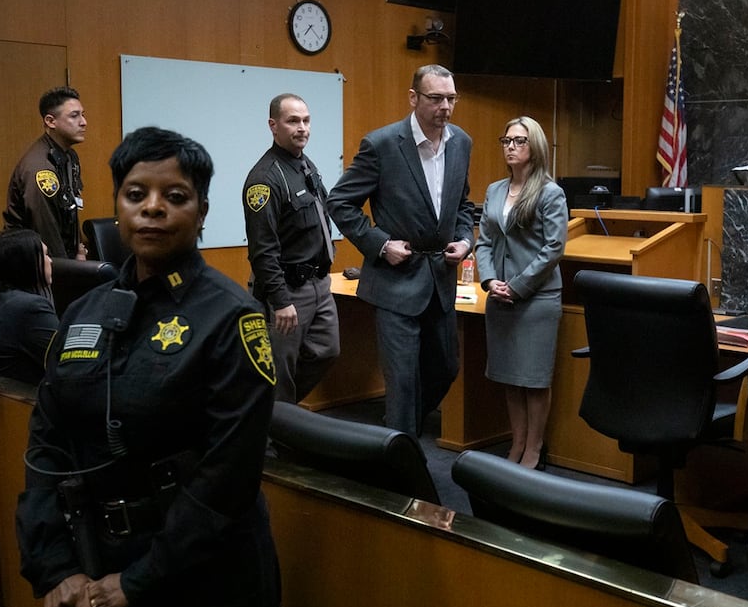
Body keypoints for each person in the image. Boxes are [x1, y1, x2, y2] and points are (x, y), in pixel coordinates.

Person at [16, 126, 284, 607]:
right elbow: (47, 442)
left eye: (175, 196)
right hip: (97, 564)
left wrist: (140, 580)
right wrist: (54, 565)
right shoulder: (84, 311)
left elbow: (229, 474)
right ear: (117, 206)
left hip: (204, 584)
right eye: (135, 194)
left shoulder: (232, 317)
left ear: (201, 212)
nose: (153, 208)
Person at [327, 64, 475, 437]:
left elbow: (464, 205)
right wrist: (380, 244)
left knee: (445, 368)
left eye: (451, 98)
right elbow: (340, 202)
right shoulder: (381, 144)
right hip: (394, 281)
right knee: (403, 383)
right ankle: (399, 465)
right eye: (436, 98)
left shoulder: (462, 142)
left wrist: (464, 238)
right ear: (413, 98)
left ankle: (396, 434)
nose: (445, 107)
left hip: (440, 278)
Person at [475, 116, 568, 470]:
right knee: (509, 377)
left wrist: (517, 286)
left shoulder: (549, 192)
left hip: (536, 299)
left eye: (519, 141)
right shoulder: (495, 190)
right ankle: (516, 443)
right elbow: (483, 242)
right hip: (499, 296)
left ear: (536, 148)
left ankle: (535, 448)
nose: (510, 147)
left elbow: (553, 248)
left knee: (533, 378)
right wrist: (489, 281)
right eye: (506, 140)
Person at [243, 93, 339, 403]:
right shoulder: (265, 179)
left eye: (306, 120)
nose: (302, 128)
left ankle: (282, 416)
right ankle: (273, 439)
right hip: (287, 290)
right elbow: (262, 249)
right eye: (292, 121)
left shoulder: (304, 164)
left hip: (319, 284)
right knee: (278, 372)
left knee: (328, 350)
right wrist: (280, 300)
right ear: (273, 125)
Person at [4, 86, 88, 259]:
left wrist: (79, 249)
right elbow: (46, 230)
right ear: (51, 121)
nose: (83, 122)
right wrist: (68, 272)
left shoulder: (68, 155)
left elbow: (71, 206)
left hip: (60, 257)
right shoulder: (41, 169)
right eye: (74, 116)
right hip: (33, 263)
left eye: (82, 114)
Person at [0, 228, 58, 388]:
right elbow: (67, 363)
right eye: (45, 254)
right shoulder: (30, 309)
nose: (50, 261)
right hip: (25, 402)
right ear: (26, 263)